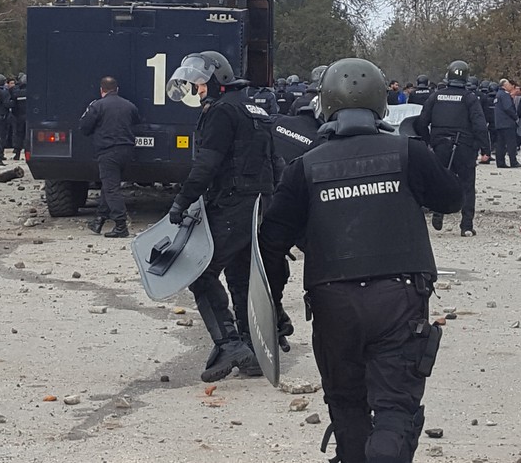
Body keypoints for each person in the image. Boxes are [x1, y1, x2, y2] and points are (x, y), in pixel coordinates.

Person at [259, 58, 463, 463]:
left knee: (347, 404)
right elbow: (451, 200)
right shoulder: (410, 152)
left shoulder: (304, 167)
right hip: (400, 299)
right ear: (381, 102)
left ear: (326, 103)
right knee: (394, 408)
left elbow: (270, 241)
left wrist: (272, 304)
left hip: (334, 303)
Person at [164, 51, 277, 381]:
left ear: (217, 80)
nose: (197, 91)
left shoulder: (222, 111)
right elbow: (274, 161)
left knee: (201, 274)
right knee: (241, 277)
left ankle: (229, 343)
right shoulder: (253, 106)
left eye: (199, 85)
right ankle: (252, 350)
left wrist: (181, 202)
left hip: (231, 201)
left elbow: (207, 164)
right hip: (256, 202)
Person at [414, 60, 490, 236]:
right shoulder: (470, 98)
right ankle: (466, 226)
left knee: (439, 181)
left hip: (440, 145)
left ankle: (438, 212)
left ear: (447, 76)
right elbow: (479, 125)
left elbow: (422, 122)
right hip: (464, 147)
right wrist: (485, 149)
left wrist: (428, 142)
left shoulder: (436, 96)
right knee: (467, 186)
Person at [79, 75, 140, 238]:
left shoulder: (97, 106)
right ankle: (99, 220)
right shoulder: (129, 106)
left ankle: (121, 225)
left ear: (101, 90)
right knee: (109, 185)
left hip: (108, 151)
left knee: (112, 189)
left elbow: (84, 127)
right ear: (117, 89)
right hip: (127, 151)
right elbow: (137, 120)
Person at [494, 78, 521, 168]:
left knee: (500, 144)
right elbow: (508, 108)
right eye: (509, 84)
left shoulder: (498, 94)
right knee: (511, 143)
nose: (511, 86)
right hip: (507, 122)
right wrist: (515, 117)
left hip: (499, 123)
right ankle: (513, 162)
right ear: (504, 86)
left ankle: (500, 162)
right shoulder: (505, 95)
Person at [10, 73, 28, 160]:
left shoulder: (16, 93)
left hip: (19, 117)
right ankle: (28, 153)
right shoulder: (32, 93)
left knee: (19, 135)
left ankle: (17, 153)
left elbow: (13, 105)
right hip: (29, 117)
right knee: (28, 135)